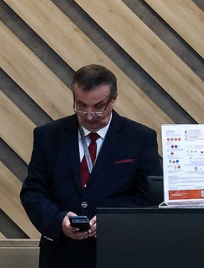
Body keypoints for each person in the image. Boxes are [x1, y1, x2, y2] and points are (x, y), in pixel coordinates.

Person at [20, 64, 161, 268]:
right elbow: (33, 192)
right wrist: (59, 220)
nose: (89, 115)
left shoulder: (140, 138)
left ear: (114, 99)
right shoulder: (48, 136)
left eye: (98, 106)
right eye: (81, 105)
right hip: (61, 256)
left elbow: (149, 197)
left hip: (118, 253)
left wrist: (111, 221)